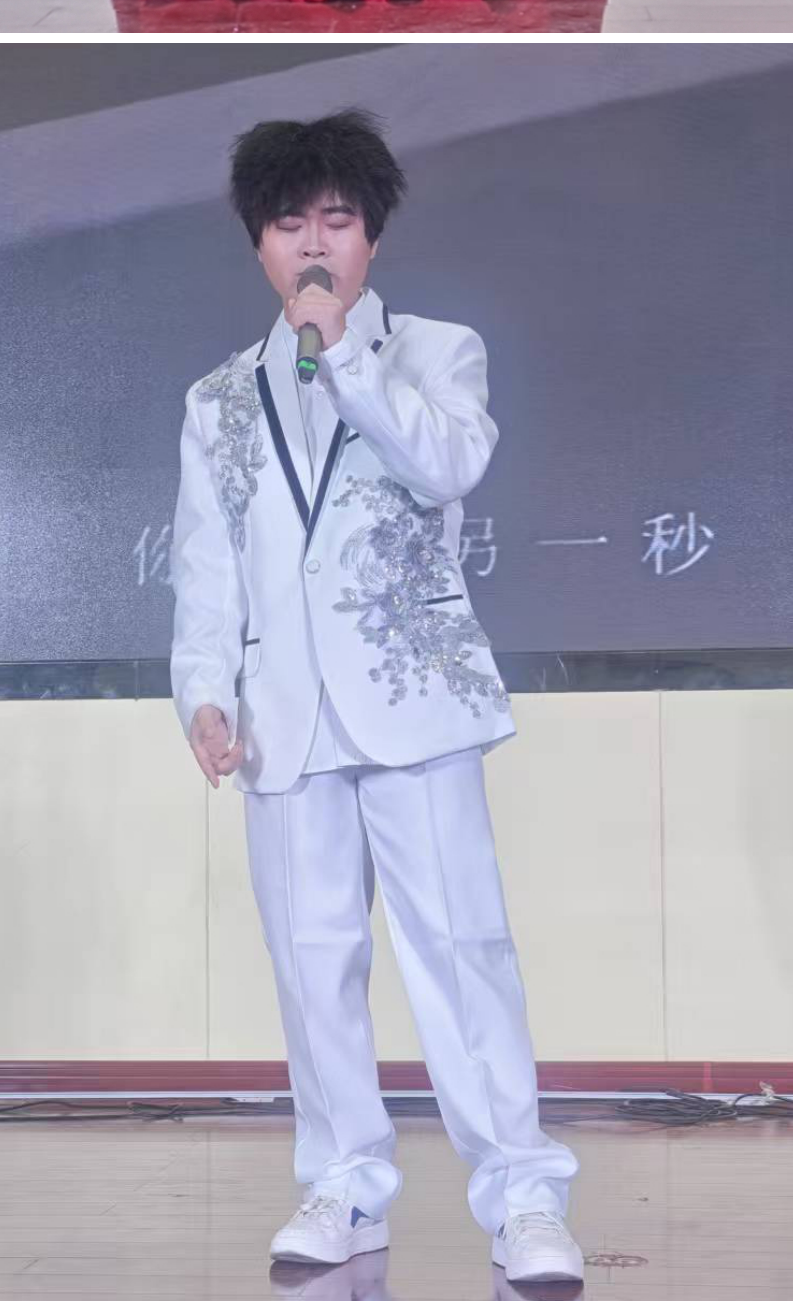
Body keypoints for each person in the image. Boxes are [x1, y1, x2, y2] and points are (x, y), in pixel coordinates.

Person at [170, 108, 584, 1283]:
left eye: (336, 221)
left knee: (462, 950)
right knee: (313, 964)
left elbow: (448, 464)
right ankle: (343, 1185)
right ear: (257, 242)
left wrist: (341, 353)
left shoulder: (435, 354)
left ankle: (523, 1198)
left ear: (372, 237)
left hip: (414, 704)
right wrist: (203, 692)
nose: (313, 244)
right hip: (282, 720)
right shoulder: (216, 400)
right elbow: (206, 564)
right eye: (289, 224)